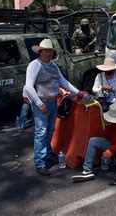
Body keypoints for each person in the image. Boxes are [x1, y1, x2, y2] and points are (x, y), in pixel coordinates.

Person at [24, 38, 88, 176]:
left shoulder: (53, 65)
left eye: (50, 51)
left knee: (50, 130)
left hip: (53, 102)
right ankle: (40, 162)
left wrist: (77, 92)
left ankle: (46, 155)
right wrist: (39, 103)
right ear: (40, 52)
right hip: (42, 102)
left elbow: (63, 81)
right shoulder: (35, 65)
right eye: (46, 51)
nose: (48, 53)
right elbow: (28, 87)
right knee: (41, 132)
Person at [71, 102, 116, 185]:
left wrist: (111, 150)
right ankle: (87, 170)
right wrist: (107, 125)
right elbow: (108, 137)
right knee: (93, 141)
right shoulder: (115, 118)